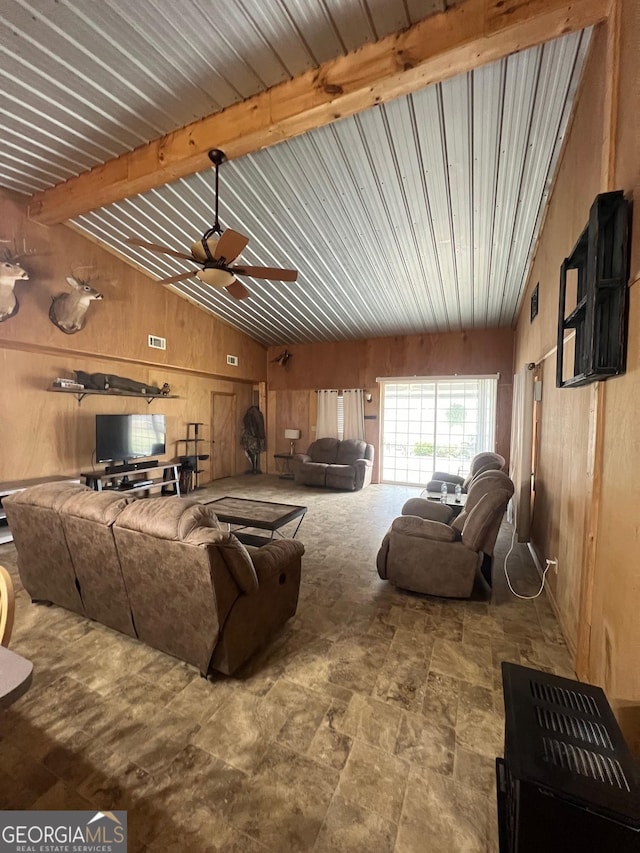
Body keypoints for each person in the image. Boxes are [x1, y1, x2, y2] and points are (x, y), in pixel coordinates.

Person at [240, 405, 265, 474]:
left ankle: (254, 468)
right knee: (255, 452)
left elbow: (247, 426)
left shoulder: (249, 415)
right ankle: (254, 468)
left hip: (250, 437)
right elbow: (259, 426)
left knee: (250, 451)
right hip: (255, 437)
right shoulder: (257, 414)